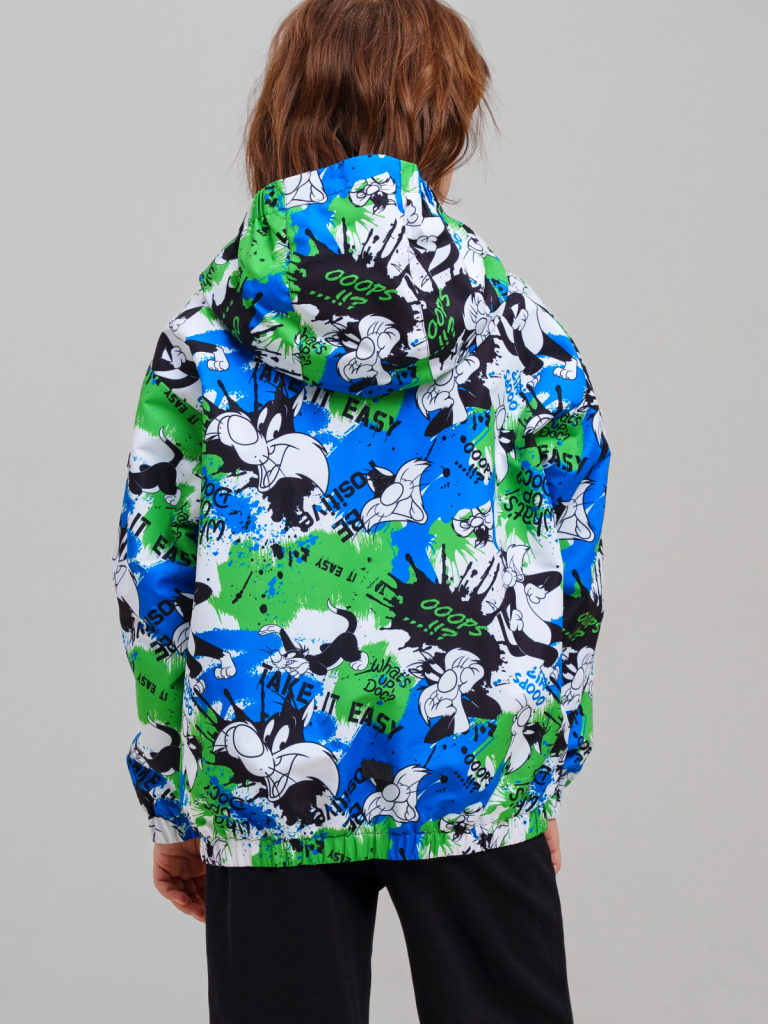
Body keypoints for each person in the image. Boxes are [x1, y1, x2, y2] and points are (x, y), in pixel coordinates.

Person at [112, 1, 611, 1020]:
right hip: (472, 757)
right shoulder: (522, 329)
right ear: (446, 122)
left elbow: (153, 579)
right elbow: (573, 557)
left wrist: (174, 799)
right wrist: (539, 769)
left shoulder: (205, 334)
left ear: (283, 113)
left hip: (266, 766)